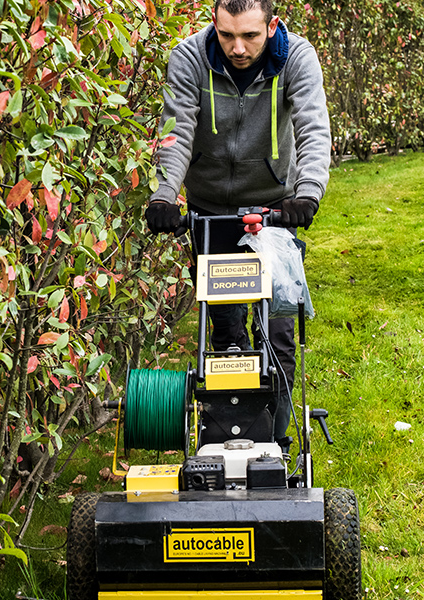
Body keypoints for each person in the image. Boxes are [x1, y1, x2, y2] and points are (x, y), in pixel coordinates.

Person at [144, 0, 331, 443]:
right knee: (225, 335)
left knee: (278, 336)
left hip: (273, 211)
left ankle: (278, 446)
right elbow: (177, 130)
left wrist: (307, 193)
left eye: (250, 35)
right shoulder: (189, 57)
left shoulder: (296, 58)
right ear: (214, 24)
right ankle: (227, 439)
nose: (238, 48)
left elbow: (312, 128)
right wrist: (164, 195)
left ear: (272, 24)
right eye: (227, 35)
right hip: (211, 212)